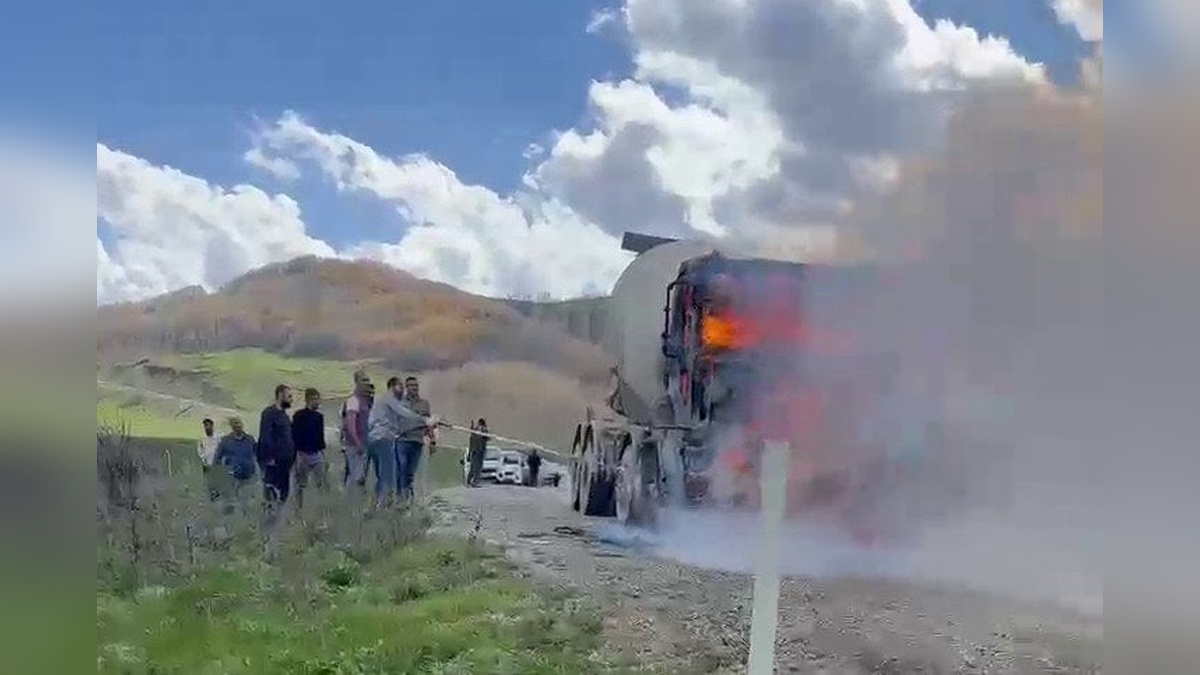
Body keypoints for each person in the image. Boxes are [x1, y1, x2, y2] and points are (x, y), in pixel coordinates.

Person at [366, 376, 433, 507]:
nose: (403, 389)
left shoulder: (421, 403)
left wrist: (430, 428)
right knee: (393, 472)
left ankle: (397, 500)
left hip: (410, 439)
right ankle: (386, 503)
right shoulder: (391, 400)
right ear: (392, 386)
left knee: (402, 473)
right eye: (401, 386)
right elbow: (403, 413)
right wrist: (424, 420)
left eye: (415, 385)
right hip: (391, 439)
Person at [257, 384, 296, 510]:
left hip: (286, 464)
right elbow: (265, 436)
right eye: (289, 396)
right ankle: (268, 524)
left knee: (283, 495)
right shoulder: (269, 413)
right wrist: (269, 458)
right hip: (274, 463)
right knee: (271, 495)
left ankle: (278, 525)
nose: (291, 399)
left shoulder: (284, 416)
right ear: (280, 395)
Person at [396, 376, 434, 500]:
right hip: (402, 440)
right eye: (411, 385)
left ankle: (407, 497)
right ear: (406, 387)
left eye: (416, 385)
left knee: (410, 472)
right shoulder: (400, 402)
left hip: (417, 441)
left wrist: (432, 440)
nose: (414, 388)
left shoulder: (424, 404)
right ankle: (400, 495)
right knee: (401, 468)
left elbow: (429, 423)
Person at [291, 387, 327, 509]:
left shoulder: (319, 417)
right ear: (307, 400)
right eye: (314, 399)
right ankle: (298, 508)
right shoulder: (299, 416)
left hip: (316, 454)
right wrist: (296, 456)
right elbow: (294, 436)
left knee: (321, 483)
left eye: (318, 399)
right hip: (302, 454)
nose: (317, 402)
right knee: (301, 484)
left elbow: (320, 437)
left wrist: (323, 454)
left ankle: (321, 509)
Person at [213, 416, 257, 507]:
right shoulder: (225, 441)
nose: (238, 425)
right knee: (233, 503)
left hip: (248, 475)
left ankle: (246, 517)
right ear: (231, 426)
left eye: (239, 423)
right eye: (235, 424)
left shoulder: (250, 439)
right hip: (233, 476)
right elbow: (217, 458)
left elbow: (257, 453)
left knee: (247, 502)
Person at [341, 373, 373, 490]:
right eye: (364, 380)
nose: (367, 383)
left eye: (368, 380)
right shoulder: (353, 401)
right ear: (357, 382)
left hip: (365, 444)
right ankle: (351, 503)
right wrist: (357, 442)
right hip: (355, 445)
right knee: (356, 477)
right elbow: (350, 424)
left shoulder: (365, 401)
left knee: (361, 477)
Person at [196, 418, 220, 500]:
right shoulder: (202, 437)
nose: (207, 427)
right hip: (206, 461)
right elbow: (199, 449)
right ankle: (212, 492)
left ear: (212, 426)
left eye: (209, 425)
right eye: (205, 426)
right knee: (208, 478)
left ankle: (217, 491)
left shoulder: (218, 437)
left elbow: (221, 448)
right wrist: (203, 458)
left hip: (216, 461)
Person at [467, 418, 489, 487]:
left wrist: (469, 452)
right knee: (477, 468)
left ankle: (469, 481)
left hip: (474, 451)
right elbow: (487, 438)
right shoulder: (482, 430)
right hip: (479, 451)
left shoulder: (475, 430)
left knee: (473, 467)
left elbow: (471, 440)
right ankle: (474, 482)